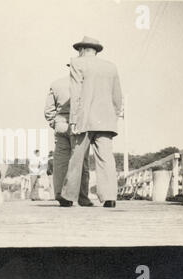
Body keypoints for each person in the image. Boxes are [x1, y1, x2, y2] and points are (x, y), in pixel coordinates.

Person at [60, 36, 123, 208]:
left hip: (84, 119)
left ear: (82, 50)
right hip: (106, 120)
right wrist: (113, 116)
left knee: (77, 158)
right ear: (96, 50)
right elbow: (117, 97)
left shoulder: (76, 63)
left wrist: (73, 119)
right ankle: (110, 197)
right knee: (106, 159)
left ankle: (68, 196)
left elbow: (76, 92)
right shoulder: (111, 67)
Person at [44, 72, 93, 207]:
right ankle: (83, 197)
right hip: (79, 125)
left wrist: (55, 123)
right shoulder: (86, 84)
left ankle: (61, 194)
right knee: (81, 161)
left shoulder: (56, 84)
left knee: (60, 161)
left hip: (61, 124)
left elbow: (48, 110)